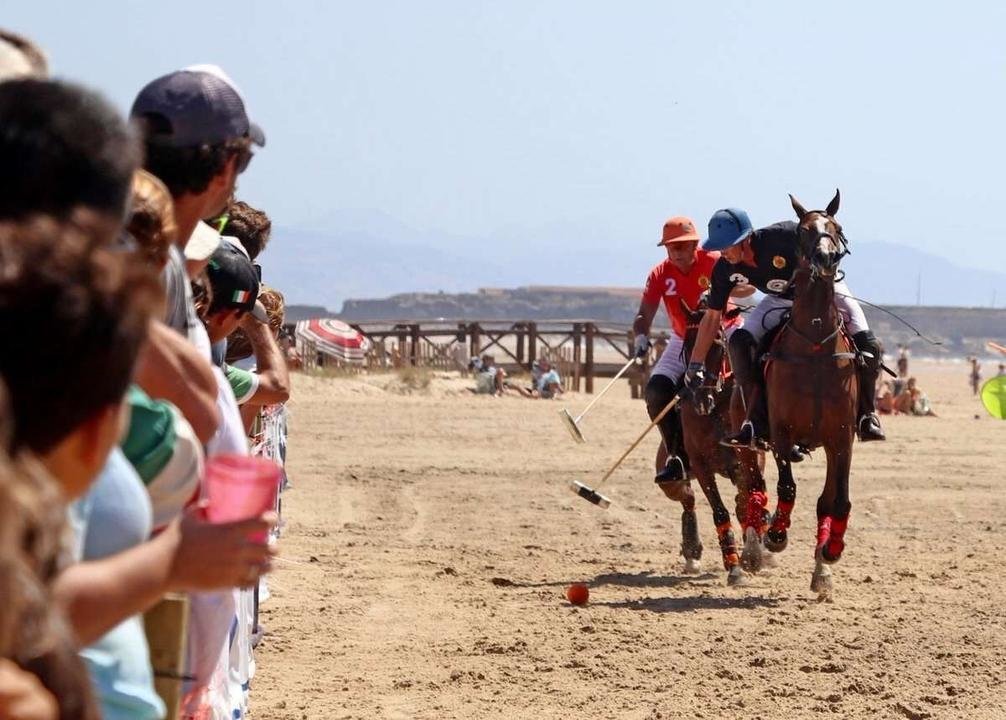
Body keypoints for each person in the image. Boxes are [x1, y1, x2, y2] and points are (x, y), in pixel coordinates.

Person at [686, 208, 886, 450]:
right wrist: (695, 365)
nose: (723, 252)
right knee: (740, 342)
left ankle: (866, 415)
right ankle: (755, 422)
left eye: (728, 245)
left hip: (824, 291)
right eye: (719, 247)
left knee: (869, 345)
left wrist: (824, 263)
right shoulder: (725, 268)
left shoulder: (783, 236)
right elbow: (712, 317)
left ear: (745, 238)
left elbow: (821, 234)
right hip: (779, 300)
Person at [633, 216, 751, 485]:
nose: (676, 252)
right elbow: (644, 314)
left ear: (695, 244)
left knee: (754, 368)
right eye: (670, 247)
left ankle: (769, 432)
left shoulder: (714, 260)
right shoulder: (659, 274)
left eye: (682, 246)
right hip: (683, 338)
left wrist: (725, 287)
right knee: (656, 392)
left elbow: (748, 287)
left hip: (727, 327)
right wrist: (641, 336)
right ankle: (677, 456)